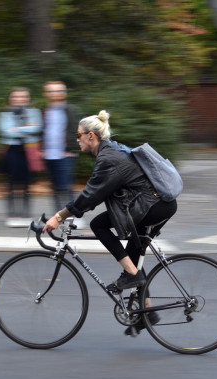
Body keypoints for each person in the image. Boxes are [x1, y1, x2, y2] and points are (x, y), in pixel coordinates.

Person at [42, 110, 177, 336]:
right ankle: (148, 313)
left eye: (79, 135)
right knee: (134, 256)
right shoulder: (111, 151)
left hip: (152, 206)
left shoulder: (108, 159)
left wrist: (59, 217)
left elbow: (90, 195)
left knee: (99, 225)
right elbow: (95, 193)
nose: (77, 140)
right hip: (154, 204)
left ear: (91, 136)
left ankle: (133, 277)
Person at [0, 87, 43, 227]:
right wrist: (26, 127)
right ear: (11, 98)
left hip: (29, 150)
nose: (20, 99)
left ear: (28, 98)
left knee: (27, 184)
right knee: (10, 184)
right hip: (11, 150)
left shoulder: (34, 112)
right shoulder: (4, 113)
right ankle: (12, 215)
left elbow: (38, 128)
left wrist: (17, 129)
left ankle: (26, 214)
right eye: (16, 96)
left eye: (23, 96)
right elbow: (5, 131)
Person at [41, 81, 82, 214]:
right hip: (48, 155)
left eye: (58, 90)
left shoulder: (71, 110)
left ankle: (73, 215)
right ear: (46, 93)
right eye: (51, 91)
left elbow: (80, 130)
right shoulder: (44, 110)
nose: (55, 93)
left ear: (64, 92)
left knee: (66, 187)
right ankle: (58, 216)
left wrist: (72, 149)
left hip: (65, 154)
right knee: (55, 187)